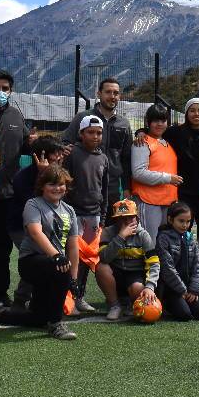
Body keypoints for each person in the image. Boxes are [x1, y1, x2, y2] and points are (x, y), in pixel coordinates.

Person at [0, 165, 79, 340]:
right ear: (42, 186)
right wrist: (56, 256)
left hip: (55, 266)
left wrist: (74, 279)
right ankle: (56, 324)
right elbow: (35, 232)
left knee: (38, 318)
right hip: (32, 262)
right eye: (51, 184)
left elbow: (73, 246)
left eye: (61, 184)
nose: (57, 188)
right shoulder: (33, 204)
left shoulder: (69, 210)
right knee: (61, 268)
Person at [0, 69, 35, 310]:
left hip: (6, 195)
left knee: (0, 250)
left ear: (11, 91)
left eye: (5, 88)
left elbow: (25, 146)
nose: (0, 92)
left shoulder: (16, 116)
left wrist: (34, 143)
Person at [136, 98, 199, 234]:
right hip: (183, 193)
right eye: (192, 110)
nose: (196, 114)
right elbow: (157, 129)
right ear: (186, 113)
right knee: (181, 232)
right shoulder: (176, 132)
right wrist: (140, 132)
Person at [7, 135, 66, 310]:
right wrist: (42, 173)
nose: (58, 157)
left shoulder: (58, 174)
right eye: (54, 154)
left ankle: (25, 300)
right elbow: (33, 205)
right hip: (21, 227)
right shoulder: (22, 178)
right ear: (39, 156)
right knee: (38, 259)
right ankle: (23, 300)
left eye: (59, 153)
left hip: (44, 227)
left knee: (39, 261)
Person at [62, 77, 131, 220]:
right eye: (108, 92)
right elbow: (65, 142)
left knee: (110, 230)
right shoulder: (83, 117)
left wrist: (126, 188)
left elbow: (126, 158)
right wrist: (64, 148)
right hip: (82, 187)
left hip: (112, 189)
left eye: (116, 93)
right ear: (99, 94)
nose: (112, 96)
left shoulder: (124, 124)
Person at [63, 114, 109, 313]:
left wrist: (103, 217)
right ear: (81, 134)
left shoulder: (103, 158)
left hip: (94, 215)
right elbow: (63, 183)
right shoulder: (72, 154)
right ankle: (66, 298)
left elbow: (105, 190)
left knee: (86, 260)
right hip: (73, 214)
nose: (95, 136)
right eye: (91, 132)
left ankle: (79, 297)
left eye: (99, 133)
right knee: (70, 257)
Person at [95, 199, 160, 321]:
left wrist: (150, 286)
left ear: (136, 217)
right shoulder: (107, 233)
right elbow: (104, 257)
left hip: (135, 274)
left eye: (130, 217)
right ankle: (114, 305)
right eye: (122, 218)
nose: (127, 221)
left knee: (138, 288)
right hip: (116, 274)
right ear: (115, 220)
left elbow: (154, 263)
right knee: (101, 267)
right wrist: (120, 237)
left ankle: (131, 303)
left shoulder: (143, 235)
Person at [131, 104, 181, 239]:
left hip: (168, 203)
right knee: (148, 244)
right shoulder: (142, 143)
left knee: (163, 245)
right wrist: (168, 178)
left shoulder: (167, 143)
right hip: (148, 202)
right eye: (155, 121)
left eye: (163, 120)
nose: (159, 124)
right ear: (148, 122)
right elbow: (138, 173)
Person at [156, 202, 199, 321]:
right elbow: (167, 269)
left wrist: (193, 290)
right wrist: (183, 290)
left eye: (188, 221)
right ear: (170, 219)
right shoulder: (163, 238)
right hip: (171, 289)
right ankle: (165, 303)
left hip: (189, 288)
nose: (185, 225)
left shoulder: (191, 238)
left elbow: (197, 266)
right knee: (185, 315)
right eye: (181, 221)